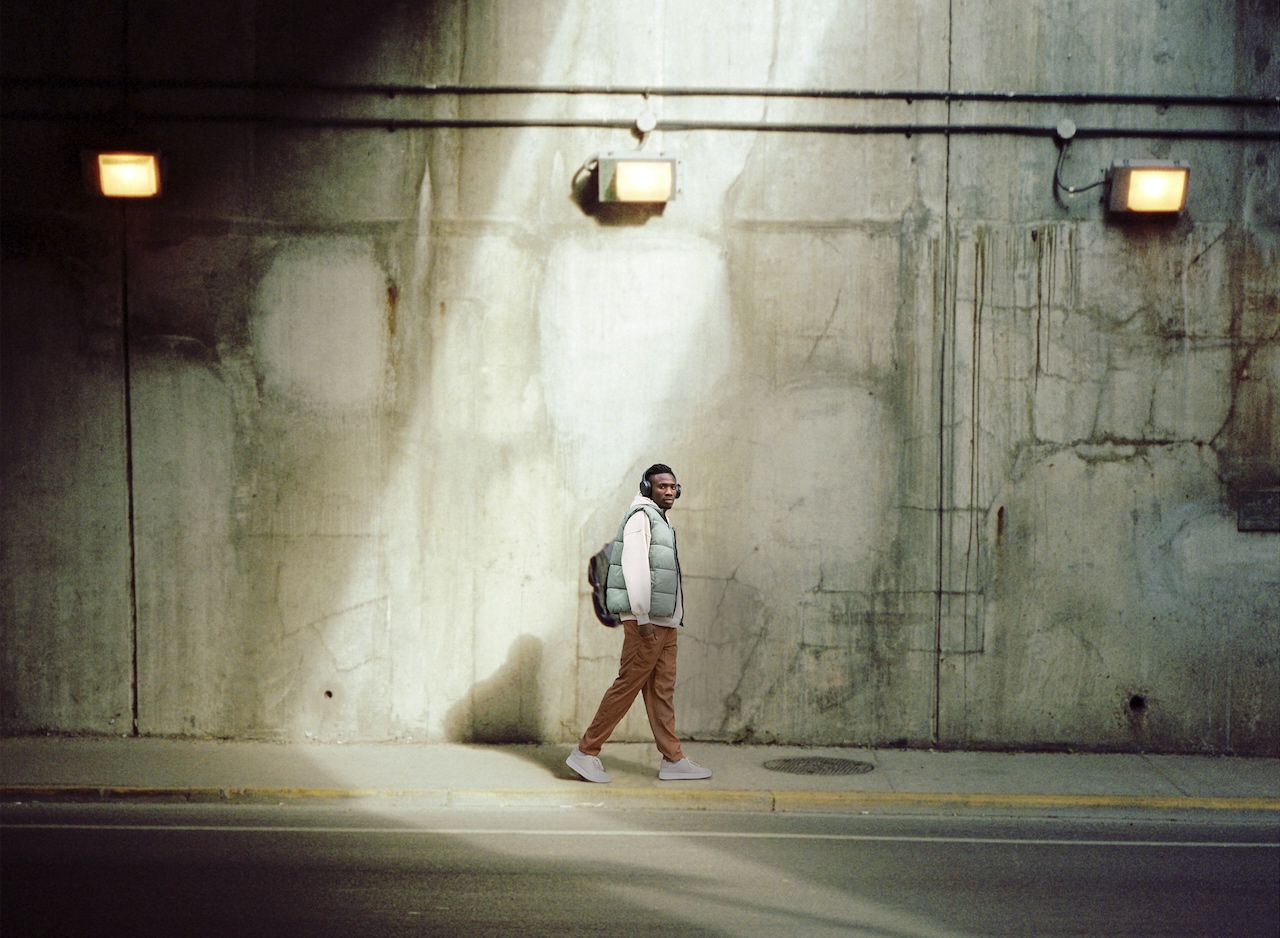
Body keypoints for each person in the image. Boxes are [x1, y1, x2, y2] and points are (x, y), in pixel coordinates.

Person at [566, 464, 712, 783]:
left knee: (662, 690)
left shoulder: (660, 518)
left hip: (666, 622)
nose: (670, 491)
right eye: (662, 486)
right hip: (647, 623)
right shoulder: (640, 517)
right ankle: (586, 752)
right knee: (627, 686)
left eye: (674, 486)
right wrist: (642, 616)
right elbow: (634, 567)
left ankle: (673, 759)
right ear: (647, 487)